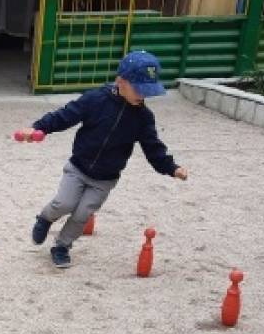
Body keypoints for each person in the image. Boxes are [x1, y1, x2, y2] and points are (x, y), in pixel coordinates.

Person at [27, 51, 189, 270]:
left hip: (105, 178)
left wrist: (171, 167)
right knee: (64, 203)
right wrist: (39, 127)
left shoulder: (144, 117)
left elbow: (153, 148)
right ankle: (45, 219)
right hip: (78, 167)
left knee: (82, 214)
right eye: (139, 89)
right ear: (121, 81)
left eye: (147, 91)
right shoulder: (95, 99)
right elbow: (65, 115)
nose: (143, 96)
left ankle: (62, 246)